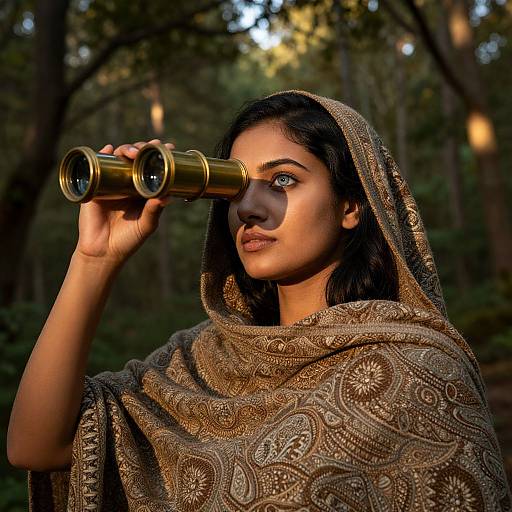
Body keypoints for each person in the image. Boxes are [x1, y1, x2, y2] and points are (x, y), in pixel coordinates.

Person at [7, 90, 511, 511]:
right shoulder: (198, 366)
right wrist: (94, 259)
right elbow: (36, 444)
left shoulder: (416, 370)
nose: (248, 206)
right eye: (235, 188)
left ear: (352, 205)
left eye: (283, 180)